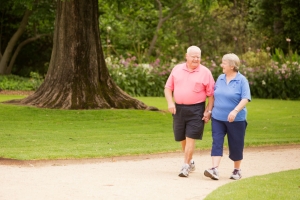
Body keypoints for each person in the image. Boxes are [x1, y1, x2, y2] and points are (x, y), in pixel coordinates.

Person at [164, 45, 215, 177]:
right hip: (179, 109)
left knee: (191, 137)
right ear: (186, 56)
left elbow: (211, 95)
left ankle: (185, 166)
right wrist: (170, 102)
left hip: (196, 109)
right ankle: (190, 162)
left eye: (198, 57)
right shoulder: (177, 69)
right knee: (182, 138)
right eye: (193, 56)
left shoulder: (205, 72)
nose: (196, 59)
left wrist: (208, 111)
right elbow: (168, 88)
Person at [204, 53, 251, 181]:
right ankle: (214, 169)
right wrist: (208, 111)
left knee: (236, 144)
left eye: (223, 63)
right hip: (218, 117)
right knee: (217, 142)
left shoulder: (242, 80)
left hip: (236, 119)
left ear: (231, 65)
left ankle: (237, 170)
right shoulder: (220, 78)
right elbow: (213, 96)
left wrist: (235, 111)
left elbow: (246, 98)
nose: (221, 65)